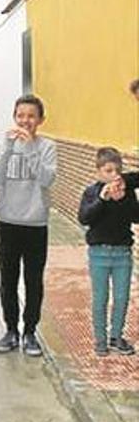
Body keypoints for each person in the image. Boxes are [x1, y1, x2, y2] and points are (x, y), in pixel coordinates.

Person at [0, 95, 57, 357]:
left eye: (31, 116)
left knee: (33, 281)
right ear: (14, 117)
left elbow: (47, 179)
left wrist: (30, 150)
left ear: (40, 120)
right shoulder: (3, 143)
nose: (25, 121)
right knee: (7, 280)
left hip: (35, 223)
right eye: (20, 115)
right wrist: (8, 147)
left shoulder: (47, 146)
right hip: (7, 221)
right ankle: (10, 330)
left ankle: (30, 331)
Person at [77, 148, 138, 356]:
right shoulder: (92, 192)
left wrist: (122, 199)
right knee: (100, 298)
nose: (113, 175)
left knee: (121, 297)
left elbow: (136, 217)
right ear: (99, 172)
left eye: (117, 170)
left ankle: (116, 337)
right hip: (99, 254)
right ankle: (100, 339)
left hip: (122, 253)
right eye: (108, 170)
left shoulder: (127, 191)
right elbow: (85, 218)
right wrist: (102, 200)